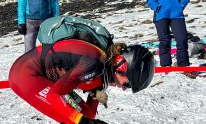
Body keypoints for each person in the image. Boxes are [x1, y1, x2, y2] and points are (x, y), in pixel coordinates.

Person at [9, 39, 154, 124]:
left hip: (40, 74)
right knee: (73, 119)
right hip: (25, 75)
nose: (123, 88)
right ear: (120, 67)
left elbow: (89, 113)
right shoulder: (93, 65)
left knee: (87, 114)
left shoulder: (101, 66)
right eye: (127, 83)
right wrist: (82, 122)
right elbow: (54, 95)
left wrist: (95, 93)